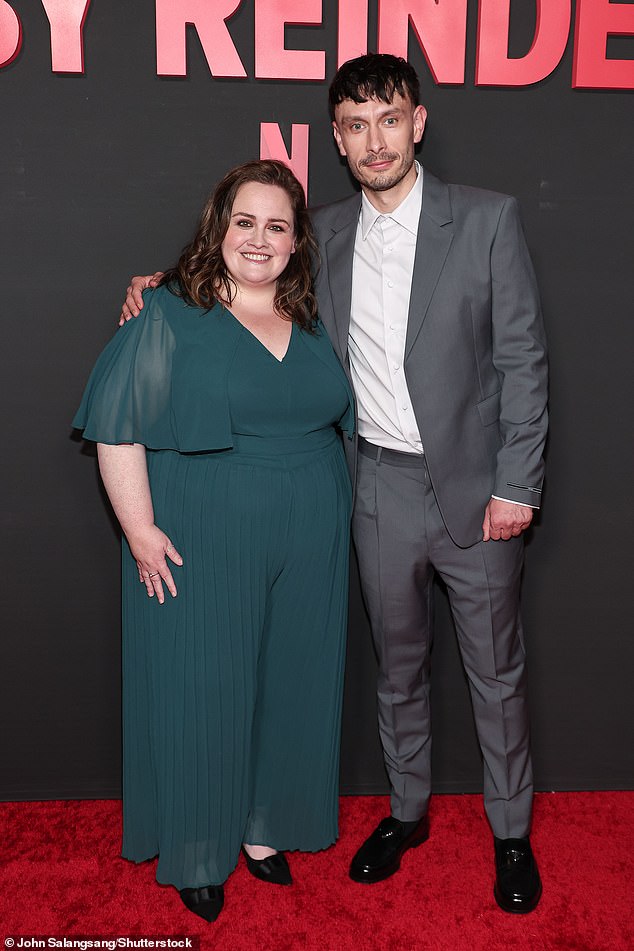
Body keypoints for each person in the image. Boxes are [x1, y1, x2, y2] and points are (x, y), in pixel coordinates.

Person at [122, 53, 548, 914]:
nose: (374, 139)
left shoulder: (489, 221)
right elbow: (244, 275)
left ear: (418, 123)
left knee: (494, 671)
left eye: (389, 119)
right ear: (339, 140)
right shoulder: (324, 234)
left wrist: (519, 483)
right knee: (398, 670)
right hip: (373, 488)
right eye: (355, 125)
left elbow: (523, 363)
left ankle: (511, 835)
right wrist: (162, 284)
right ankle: (406, 812)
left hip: (475, 492)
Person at [74, 159, 355, 923]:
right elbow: (118, 425)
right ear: (218, 229)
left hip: (314, 534)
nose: (258, 239)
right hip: (204, 528)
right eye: (244, 222)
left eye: (276, 226)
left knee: (292, 679)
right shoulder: (168, 310)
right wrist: (138, 529)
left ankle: (268, 828)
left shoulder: (317, 316)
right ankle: (199, 846)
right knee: (206, 685)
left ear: (297, 242)